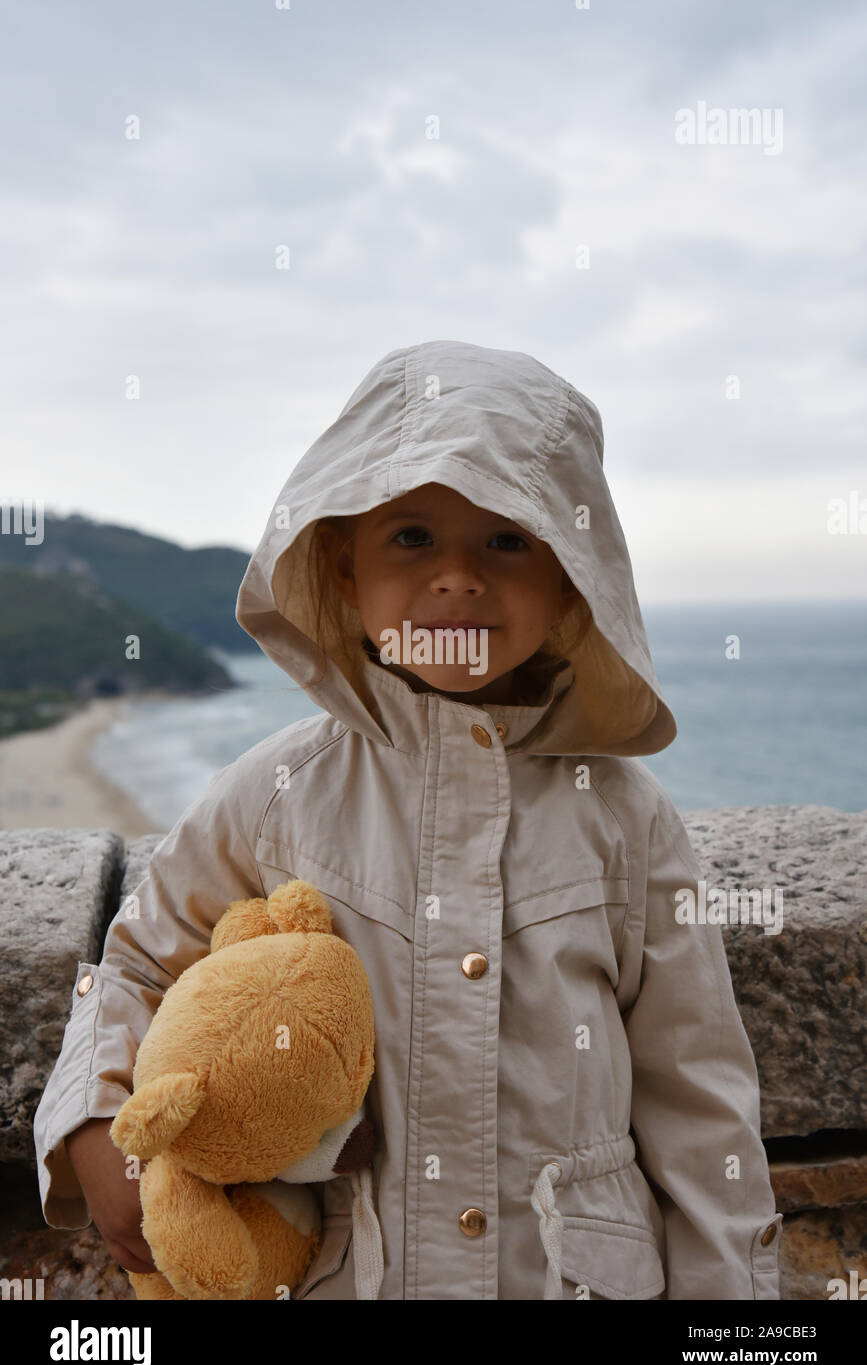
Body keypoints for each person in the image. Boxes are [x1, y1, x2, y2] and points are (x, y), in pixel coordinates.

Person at [33, 338, 783, 1300]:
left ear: (566, 581)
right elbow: (136, 961)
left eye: (508, 539)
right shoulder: (276, 792)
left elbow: (698, 1094)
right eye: (412, 537)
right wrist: (97, 1125)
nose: (459, 577)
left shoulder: (626, 823)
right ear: (344, 570)